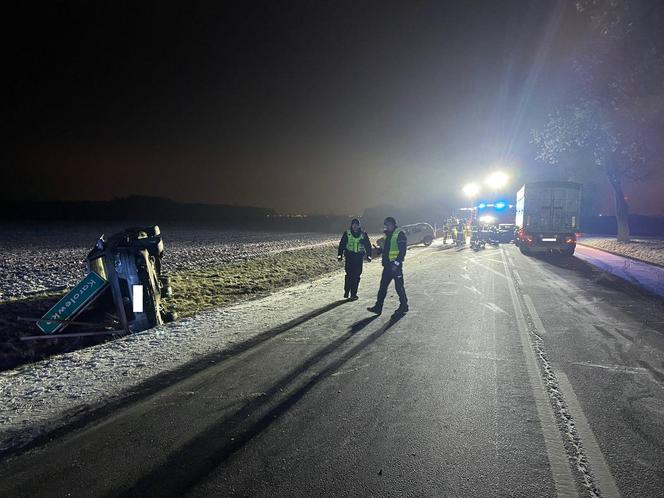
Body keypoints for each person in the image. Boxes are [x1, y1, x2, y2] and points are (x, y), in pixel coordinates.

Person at [367, 217, 408, 315]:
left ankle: (404, 306)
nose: (387, 226)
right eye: (385, 225)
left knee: (399, 287)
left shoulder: (399, 234)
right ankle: (378, 307)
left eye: (388, 224)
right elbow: (386, 248)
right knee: (383, 287)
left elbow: (402, 251)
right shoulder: (387, 235)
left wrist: (396, 263)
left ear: (393, 224)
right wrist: (379, 250)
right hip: (387, 266)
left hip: (395, 266)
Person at [337, 218, 372, 300]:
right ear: (351, 225)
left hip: (359, 257)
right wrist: (340, 255)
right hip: (349, 257)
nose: (355, 226)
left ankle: (353, 294)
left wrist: (369, 255)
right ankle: (346, 291)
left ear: (359, 225)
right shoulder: (347, 233)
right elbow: (342, 244)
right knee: (349, 275)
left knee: (356, 276)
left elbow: (368, 245)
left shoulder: (363, 234)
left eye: (357, 224)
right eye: (353, 224)